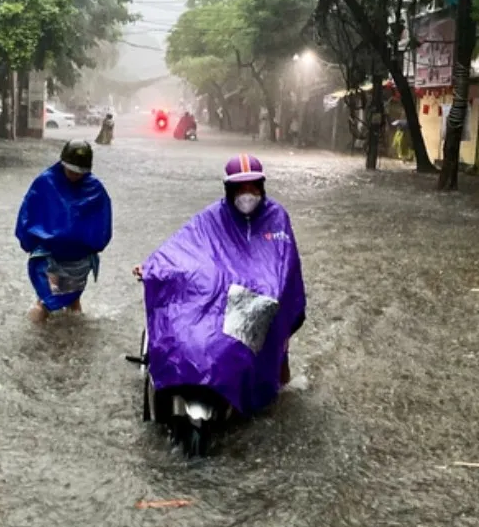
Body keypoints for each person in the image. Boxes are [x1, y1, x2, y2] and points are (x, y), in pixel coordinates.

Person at [134, 153, 306, 387]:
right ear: (229, 188)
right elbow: (183, 246)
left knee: (278, 355)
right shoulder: (214, 217)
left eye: (252, 186)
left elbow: (287, 263)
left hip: (266, 301)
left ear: (260, 186)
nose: (247, 194)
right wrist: (153, 267)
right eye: (240, 187)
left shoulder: (276, 217)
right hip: (227, 295)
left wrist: (272, 293)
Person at [16, 140, 113, 322]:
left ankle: (68, 337)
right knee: (46, 300)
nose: (75, 176)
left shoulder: (95, 189)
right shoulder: (45, 183)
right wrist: (28, 243)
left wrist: (94, 246)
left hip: (78, 260)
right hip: (50, 255)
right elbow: (28, 213)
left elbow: (103, 222)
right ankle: (39, 338)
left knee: (73, 299)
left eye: (79, 173)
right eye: (71, 171)